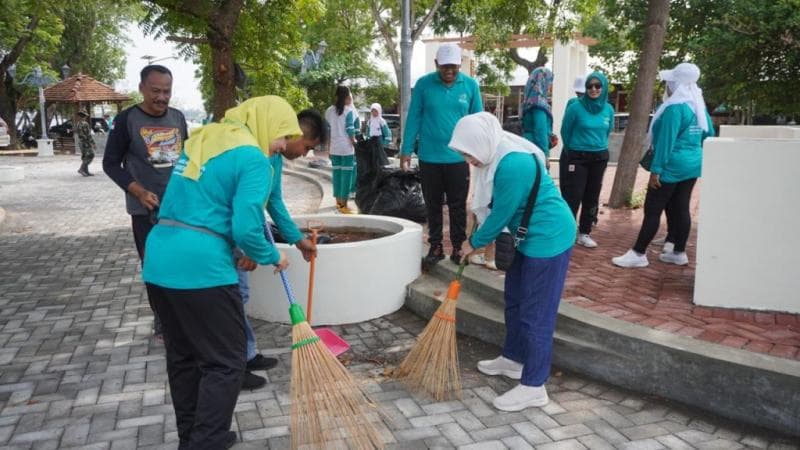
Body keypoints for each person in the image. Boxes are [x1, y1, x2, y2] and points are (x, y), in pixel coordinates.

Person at [142, 96, 300, 449]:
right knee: (227, 362)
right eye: (283, 135)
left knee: (183, 358)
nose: (282, 145)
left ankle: (193, 438)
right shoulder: (253, 158)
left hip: (159, 260)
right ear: (267, 124)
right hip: (202, 268)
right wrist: (273, 255)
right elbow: (246, 226)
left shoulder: (208, 139)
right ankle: (207, 441)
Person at [450, 112, 575, 411]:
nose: (468, 160)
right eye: (463, 153)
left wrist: (474, 244)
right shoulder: (494, 154)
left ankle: (534, 385)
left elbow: (501, 215)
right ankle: (514, 358)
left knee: (536, 314)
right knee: (515, 301)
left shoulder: (512, 163)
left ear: (481, 143)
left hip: (549, 238)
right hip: (526, 237)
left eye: (468, 152)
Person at [236, 109, 328, 390]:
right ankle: (233, 366)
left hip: (243, 230)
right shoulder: (253, 155)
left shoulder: (274, 159)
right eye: (308, 147)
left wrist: (297, 240)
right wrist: (256, 248)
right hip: (229, 233)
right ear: (296, 134)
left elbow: (274, 201)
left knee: (239, 294)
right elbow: (241, 210)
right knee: (233, 296)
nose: (305, 155)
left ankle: (247, 355)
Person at [103, 65, 188, 341]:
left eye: (167, 91)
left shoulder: (178, 118)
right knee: (154, 264)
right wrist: (137, 191)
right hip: (146, 211)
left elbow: (187, 159)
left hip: (180, 206)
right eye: (156, 91)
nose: (162, 97)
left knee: (183, 260)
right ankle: (163, 319)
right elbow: (110, 164)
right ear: (141, 88)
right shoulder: (127, 120)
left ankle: (185, 315)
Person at [612, 62, 714, 268]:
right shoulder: (697, 105)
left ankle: (638, 253)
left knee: (652, 209)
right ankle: (678, 252)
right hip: (692, 165)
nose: (666, 85)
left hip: (671, 166)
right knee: (681, 208)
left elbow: (665, 143)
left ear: (675, 84)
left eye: (669, 82)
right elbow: (708, 134)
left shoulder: (675, 109)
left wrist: (656, 171)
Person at [400, 43, 483, 266]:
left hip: (458, 159)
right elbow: (414, 118)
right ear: (437, 64)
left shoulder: (470, 86)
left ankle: (458, 247)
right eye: (445, 66)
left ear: (459, 65)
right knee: (432, 204)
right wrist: (406, 150)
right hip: (429, 158)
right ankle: (435, 246)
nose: (450, 71)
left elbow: (479, 122)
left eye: (454, 67)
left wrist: (481, 152)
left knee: (458, 207)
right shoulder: (424, 85)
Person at [559, 71, 615, 249]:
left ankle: (585, 232)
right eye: (590, 86)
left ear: (603, 88)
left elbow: (607, 131)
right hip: (577, 156)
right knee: (572, 196)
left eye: (598, 86)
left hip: (599, 157)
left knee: (592, 196)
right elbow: (565, 131)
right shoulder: (575, 107)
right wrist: (573, 150)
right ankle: (567, 232)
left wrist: (595, 147)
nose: (593, 89)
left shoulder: (608, 109)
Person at [324, 85, 358, 214]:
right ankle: (344, 204)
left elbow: (328, 131)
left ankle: (338, 203)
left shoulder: (329, 111)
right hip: (347, 148)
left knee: (337, 175)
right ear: (347, 96)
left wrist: (328, 148)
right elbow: (350, 129)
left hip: (334, 148)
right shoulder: (350, 111)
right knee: (346, 176)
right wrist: (354, 142)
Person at [521, 67, 555, 160]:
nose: (550, 87)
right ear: (543, 81)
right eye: (550, 82)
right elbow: (540, 131)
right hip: (536, 150)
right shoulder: (539, 104)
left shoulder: (529, 101)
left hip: (526, 145)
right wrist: (545, 155)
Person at [76, 110, 96, 176]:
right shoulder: (85, 123)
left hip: (81, 141)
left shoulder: (78, 123)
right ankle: (81, 169)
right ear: (84, 116)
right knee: (91, 155)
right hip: (85, 142)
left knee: (85, 156)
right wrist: (93, 143)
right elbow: (88, 135)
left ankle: (86, 171)